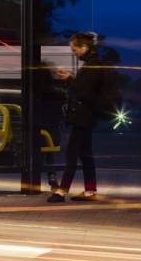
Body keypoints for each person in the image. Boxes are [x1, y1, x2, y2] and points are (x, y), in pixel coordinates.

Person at [48, 32, 112, 203]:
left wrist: (70, 79)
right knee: (85, 154)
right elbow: (85, 89)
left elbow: (84, 92)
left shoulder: (93, 66)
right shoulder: (93, 64)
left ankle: (62, 191)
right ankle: (90, 191)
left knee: (72, 153)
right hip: (87, 115)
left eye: (75, 49)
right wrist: (72, 79)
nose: (74, 53)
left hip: (83, 116)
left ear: (84, 47)